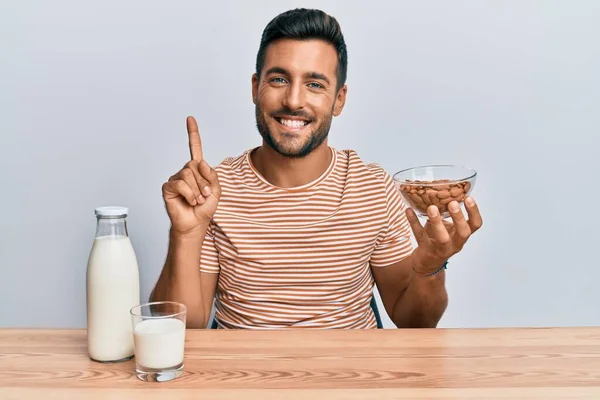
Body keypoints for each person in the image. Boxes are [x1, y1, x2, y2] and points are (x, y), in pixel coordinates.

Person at [150, 8, 483, 329]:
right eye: (279, 79)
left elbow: (414, 322)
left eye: (314, 84)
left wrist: (429, 266)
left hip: (352, 381)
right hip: (245, 382)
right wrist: (185, 234)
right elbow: (181, 331)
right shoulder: (213, 191)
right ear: (255, 88)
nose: (294, 100)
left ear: (339, 100)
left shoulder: (372, 188)